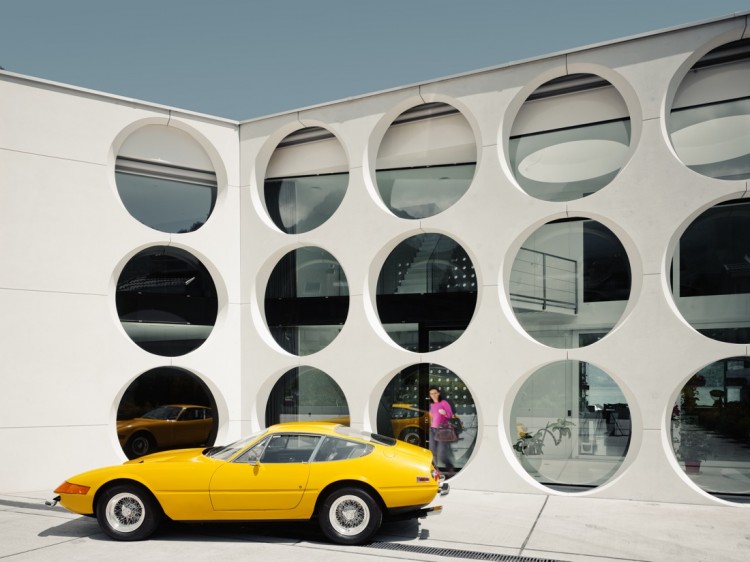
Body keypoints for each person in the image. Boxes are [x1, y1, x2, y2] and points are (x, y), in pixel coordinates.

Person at [428, 387, 455, 472]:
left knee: (441, 454)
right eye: (431, 394)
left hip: (442, 430)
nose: (434, 395)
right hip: (432, 430)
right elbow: (432, 417)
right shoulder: (431, 405)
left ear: (438, 393)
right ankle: (435, 471)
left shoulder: (444, 403)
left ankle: (450, 466)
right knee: (432, 452)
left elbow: (450, 415)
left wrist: (445, 413)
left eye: (435, 393)